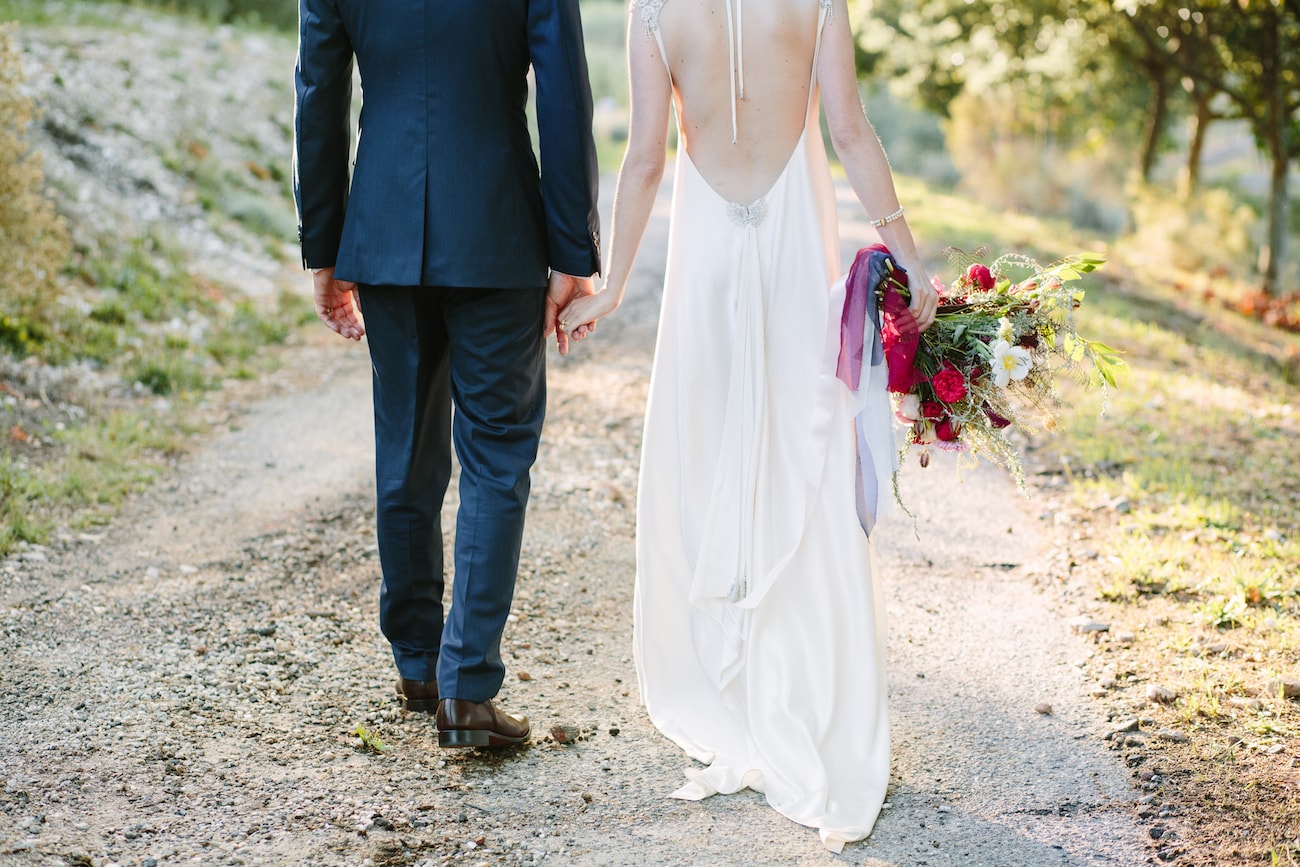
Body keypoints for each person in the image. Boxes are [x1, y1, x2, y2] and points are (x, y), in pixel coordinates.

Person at [557, 0, 938, 850]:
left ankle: (731, 687)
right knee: (802, 450)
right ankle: (809, 692)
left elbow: (647, 158)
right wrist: (906, 250)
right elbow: (850, 130)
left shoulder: (651, 9)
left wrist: (613, 284)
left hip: (709, 261)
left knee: (710, 447)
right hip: (795, 253)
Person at [293, 0, 601, 748]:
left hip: (385, 224)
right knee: (496, 457)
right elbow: (564, 95)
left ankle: (419, 663)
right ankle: (466, 690)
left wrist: (324, 247)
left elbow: (319, 94)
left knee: (404, 446)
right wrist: (572, 252)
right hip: (498, 230)